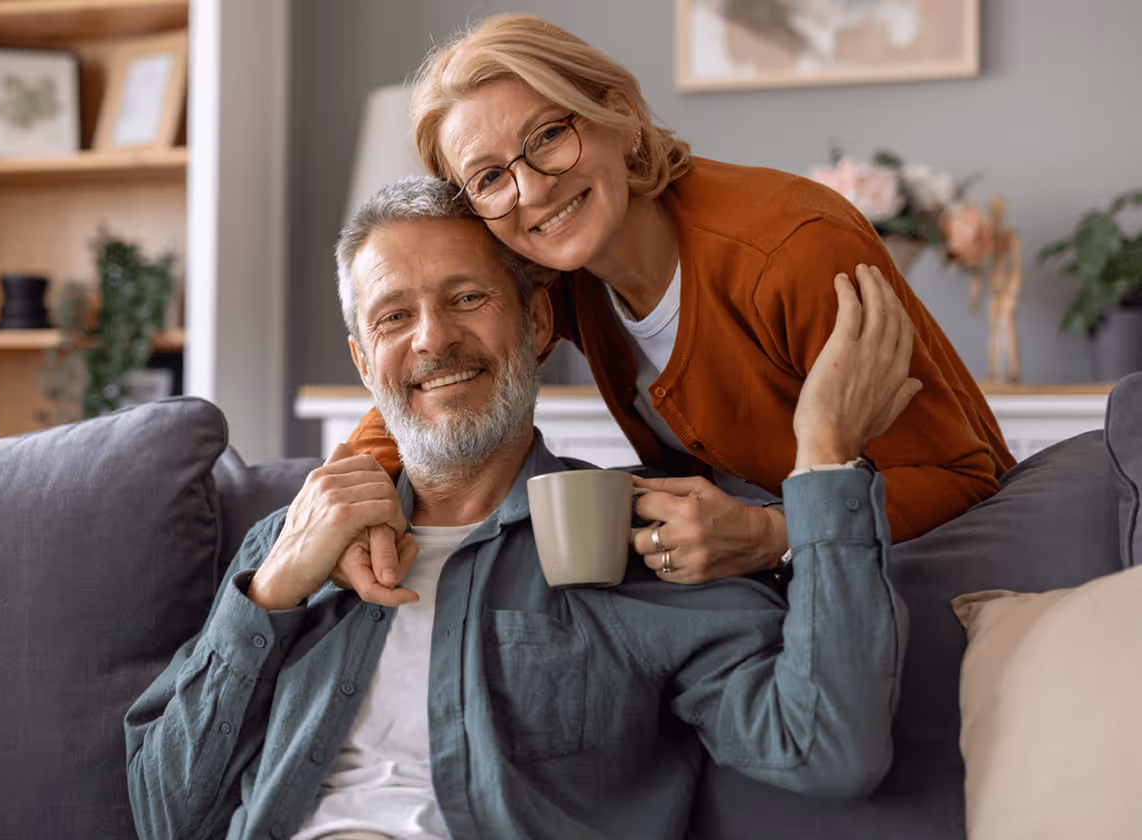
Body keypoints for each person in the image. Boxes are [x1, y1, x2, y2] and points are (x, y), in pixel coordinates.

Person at [125, 177, 912, 840]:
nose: (434, 339)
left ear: (537, 323)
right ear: (366, 363)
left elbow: (829, 750)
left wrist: (826, 453)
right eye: (394, 317)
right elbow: (162, 812)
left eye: (467, 297)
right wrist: (267, 596)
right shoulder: (293, 546)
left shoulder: (642, 534)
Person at [344, 13, 1014, 585]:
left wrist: (767, 533)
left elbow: (962, 476)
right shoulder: (556, 269)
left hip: (935, 573)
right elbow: (428, 374)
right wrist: (340, 500)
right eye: (490, 177)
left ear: (621, 114)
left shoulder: (790, 255)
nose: (534, 190)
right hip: (781, 588)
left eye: (548, 135)